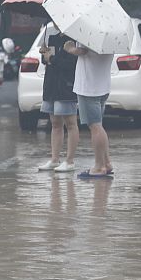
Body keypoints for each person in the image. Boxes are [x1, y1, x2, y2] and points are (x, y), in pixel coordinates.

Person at [64, 38, 114, 178]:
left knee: (95, 127)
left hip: (88, 87)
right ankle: (106, 162)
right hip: (103, 86)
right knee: (99, 126)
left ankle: (99, 167)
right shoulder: (110, 35)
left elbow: (82, 50)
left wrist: (71, 49)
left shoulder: (89, 31)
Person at [37, 22, 78, 173]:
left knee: (70, 123)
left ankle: (70, 160)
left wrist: (52, 58)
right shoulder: (52, 38)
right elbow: (46, 61)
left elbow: (71, 64)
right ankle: (54, 159)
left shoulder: (72, 41)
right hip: (51, 86)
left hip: (66, 86)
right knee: (55, 123)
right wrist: (44, 55)